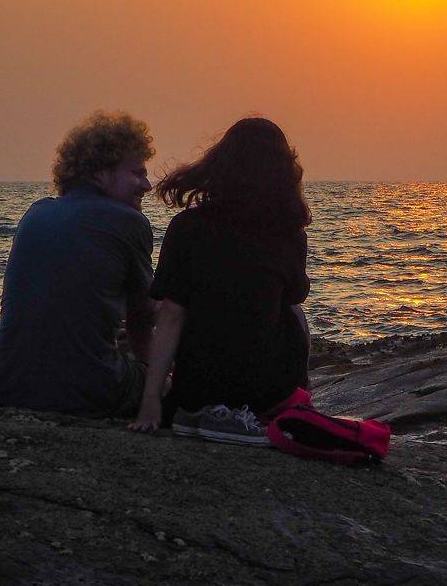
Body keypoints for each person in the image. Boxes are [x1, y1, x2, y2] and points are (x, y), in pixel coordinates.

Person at [129, 117, 311, 445]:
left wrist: (151, 400)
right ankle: (294, 405)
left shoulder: (187, 227)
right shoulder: (289, 235)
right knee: (295, 313)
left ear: (221, 164)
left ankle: (203, 411)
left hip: (195, 391)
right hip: (264, 394)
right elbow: (291, 301)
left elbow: (171, 316)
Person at [0, 111, 156, 416]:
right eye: (138, 174)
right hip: (87, 394)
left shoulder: (36, 212)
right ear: (100, 173)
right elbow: (142, 318)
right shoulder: (130, 222)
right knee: (163, 382)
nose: (147, 185)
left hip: (1, 383)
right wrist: (154, 376)